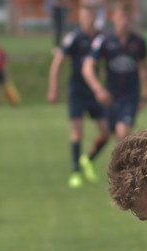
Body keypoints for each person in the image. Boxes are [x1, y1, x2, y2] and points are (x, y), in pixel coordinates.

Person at [48, 4, 110, 188]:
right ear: (80, 18)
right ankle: (75, 171)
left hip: (94, 91)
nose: (89, 19)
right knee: (77, 132)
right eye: (85, 16)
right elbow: (58, 61)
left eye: (91, 16)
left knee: (106, 132)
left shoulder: (101, 38)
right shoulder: (74, 38)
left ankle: (87, 159)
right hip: (77, 91)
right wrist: (53, 87)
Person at [83, 3, 147, 149]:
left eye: (127, 17)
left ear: (132, 17)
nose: (124, 21)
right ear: (114, 17)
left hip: (130, 96)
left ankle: (126, 170)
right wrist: (98, 89)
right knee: (112, 136)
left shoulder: (139, 42)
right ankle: (120, 167)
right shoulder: (104, 40)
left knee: (122, 133)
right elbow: (87, 67)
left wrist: (146, 90)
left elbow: (144, 67)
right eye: (121, 16)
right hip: (110, 97)